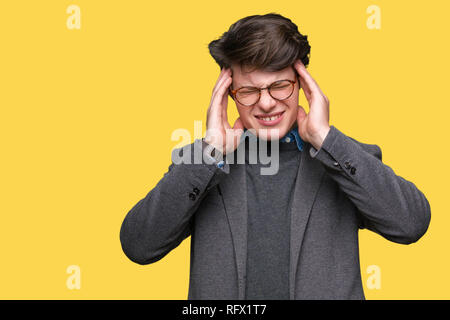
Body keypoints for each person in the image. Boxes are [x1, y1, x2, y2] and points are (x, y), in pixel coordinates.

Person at [119, 13, 431, 300]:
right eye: (249, 91)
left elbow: (412, 224)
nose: (266, 103)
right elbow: (138, 246)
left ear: (303, 85)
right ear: (228, 94)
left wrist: (325, 139)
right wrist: (210, 149)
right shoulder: (199, 164)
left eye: (280, 86)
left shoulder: (344, 158)